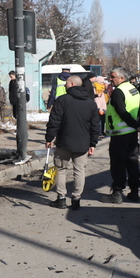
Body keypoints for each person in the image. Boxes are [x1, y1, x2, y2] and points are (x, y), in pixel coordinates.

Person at [44, 75, 101, 210]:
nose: (64, 85)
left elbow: (54, 121)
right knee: (79, 171)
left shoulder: (62, 100)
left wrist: (49, 139)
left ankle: (61, 199)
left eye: (66, 83)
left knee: (61, 169)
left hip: (64, 141)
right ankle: (76, 200)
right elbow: (95, 126)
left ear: (71, 84)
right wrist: (93, 143)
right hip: (83, 143)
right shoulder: (90, 102)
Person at [101, 66, 140, 204]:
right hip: (131, 134)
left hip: (120, 135)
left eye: (113, 77)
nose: (110, 79)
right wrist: (139, 124)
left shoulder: (119, 92)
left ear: (122, 78)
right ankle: (134, 192)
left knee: (118, 164)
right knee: (132, 163)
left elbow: (122, 112)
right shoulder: (133, 89)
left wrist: (135, 125)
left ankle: (117, 193)